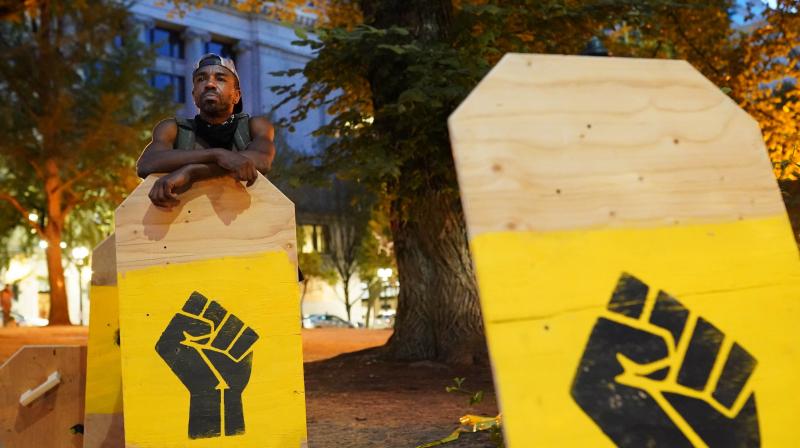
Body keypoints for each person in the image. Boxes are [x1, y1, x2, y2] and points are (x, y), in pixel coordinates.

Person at [137, 53, 276, 208]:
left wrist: (192, 171)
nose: (209, 84)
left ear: (236, 96)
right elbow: (147, 164)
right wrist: (217, 155)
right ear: (194, 96)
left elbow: (262, 161)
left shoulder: (254, 126)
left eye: (220, 78)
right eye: (201, 79)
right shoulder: (173, 128)